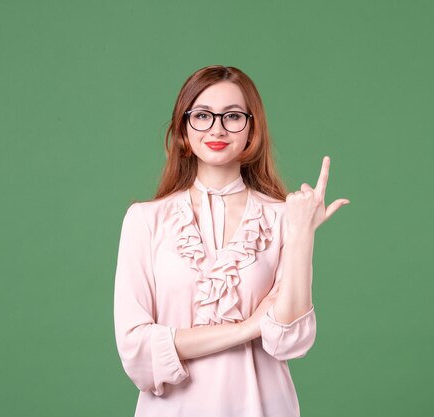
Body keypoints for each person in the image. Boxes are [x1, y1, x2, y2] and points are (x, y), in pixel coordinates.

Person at [113, 65, 350, 417]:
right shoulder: (145, 220)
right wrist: (248, 327)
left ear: (252, 127)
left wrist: (302, 236)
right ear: (183, 126)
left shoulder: (283, 217)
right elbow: (137, 350)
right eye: (203, 116)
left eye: (233, 116)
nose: (217, 129)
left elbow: (290, 340)